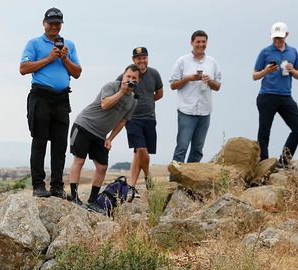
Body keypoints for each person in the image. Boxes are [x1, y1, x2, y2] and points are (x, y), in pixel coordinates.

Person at [20, 7, 82, 198]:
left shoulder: (68, 45)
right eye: (51, 23)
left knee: (59, 145)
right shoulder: (35, 43)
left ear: (61, 25)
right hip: (41, 97)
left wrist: (64, 58)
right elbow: (23, 68)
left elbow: (77, 72)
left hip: (62, 98)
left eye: (57, 23)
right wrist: (49, 58)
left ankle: (57, 186)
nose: (54, 26)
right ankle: (38, 185)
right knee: (39, 142)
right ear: (44, 23)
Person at [66, 64, 140, 213]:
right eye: (128, 76)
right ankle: (74, 196)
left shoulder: (133, 101)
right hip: (84, 125)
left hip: (100, 135)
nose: (130, 80)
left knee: (102, 167)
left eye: (134, 78)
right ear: (123, 76)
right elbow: (105, 104)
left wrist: (110, 138)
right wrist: (122, 91)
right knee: (79, 160)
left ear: (138, 81)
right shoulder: (111, 86)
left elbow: (122, 121)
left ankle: (92, 201)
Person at [253, 21, 298, 168]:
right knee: (264, 131)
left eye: (280, 38)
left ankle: (285, 160)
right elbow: (254, 75)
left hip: (286, 96)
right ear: (271, 36)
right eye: (275, 38)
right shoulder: (265, 52)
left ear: (286, 35)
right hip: (267, 96)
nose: (277, 41)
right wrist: (266, 71)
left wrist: (292, 70)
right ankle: (264, 164)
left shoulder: (293, 52)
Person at [169, 30, 222, 164]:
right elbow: (173, 85)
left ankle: (191, 179)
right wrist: (188, 78)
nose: (201, 44)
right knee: (182, 147)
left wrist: (209, 80)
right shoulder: (182, 61)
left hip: (205, 111)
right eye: (198, 41)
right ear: (192, 43)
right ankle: (175, 178)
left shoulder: (212, 62)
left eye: (203, 42)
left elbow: (217, 86)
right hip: (187, 111)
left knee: (198, 149)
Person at [118, 47, 163, 194]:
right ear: (133, 60)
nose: (141, 61)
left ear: (147, 58)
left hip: (150, 117)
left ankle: (132, 186)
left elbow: (159, 93)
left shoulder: (154, 74)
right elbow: (118, 89)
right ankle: (148, 175)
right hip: (132, 118)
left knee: (139, 152)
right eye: (138, 58)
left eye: (144, 57)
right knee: (141, 149)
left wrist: (148, 101)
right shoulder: (127, 75)